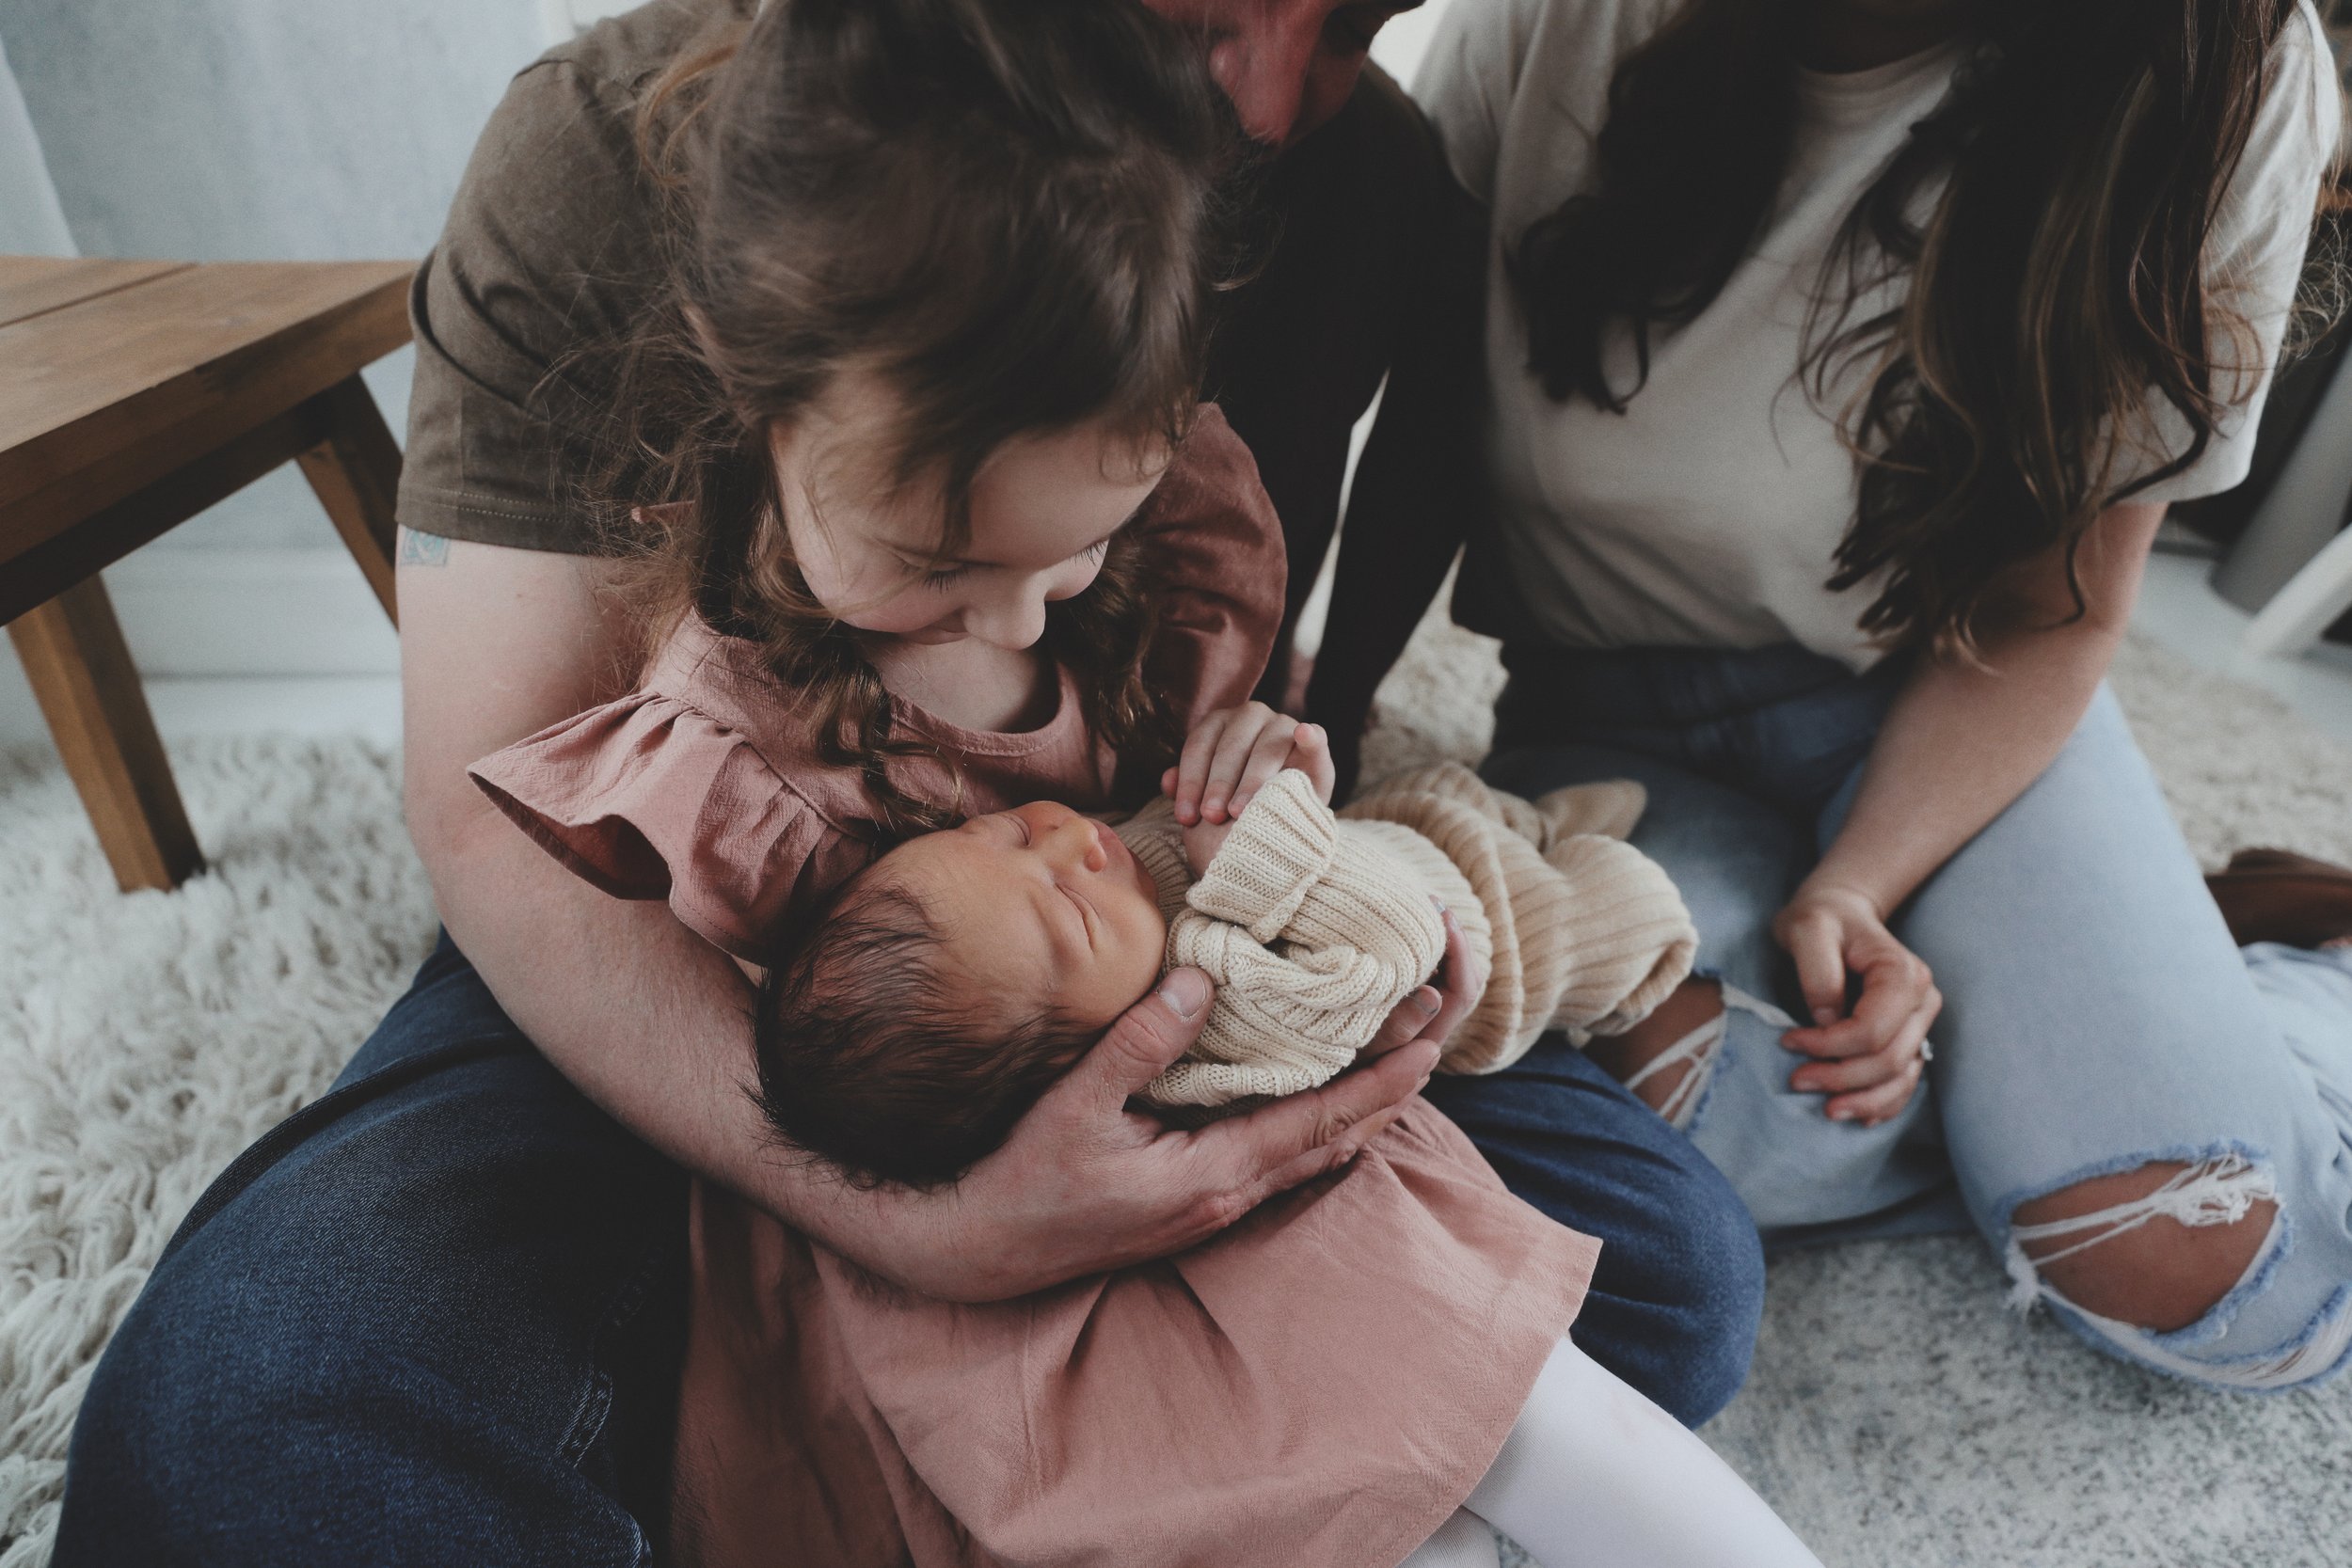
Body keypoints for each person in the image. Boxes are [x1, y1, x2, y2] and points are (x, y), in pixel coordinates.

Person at [54, 1, 1766, 1562]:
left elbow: (1238, 713)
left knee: (1673, 1281)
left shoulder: (1352, 187)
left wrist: (1343, 881)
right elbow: (505, 831)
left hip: (1140, 943)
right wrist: (901, 1210)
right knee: (257, 1429)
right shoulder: (627, 164)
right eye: (1214, 13)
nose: (1261, 99)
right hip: (764, 988)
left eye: (1352, 22)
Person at [1315, 0, 2352, 1390]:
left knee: (2202, 1265)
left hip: (1961, 705)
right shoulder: (1551, 25)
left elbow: (2066, 600)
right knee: (1633, 1077)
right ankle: (2087, 1003)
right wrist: (1320, 737)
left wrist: (1857, 885)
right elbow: (1420, 439)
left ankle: (2300, 982)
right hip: (1616, 721)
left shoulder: (2226, 64)